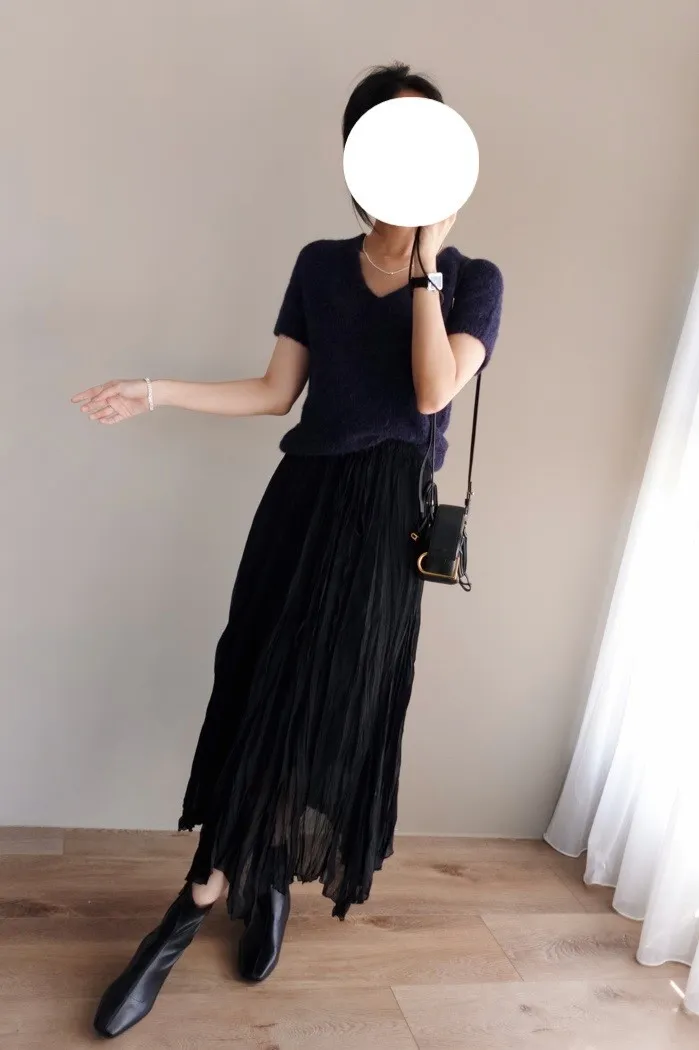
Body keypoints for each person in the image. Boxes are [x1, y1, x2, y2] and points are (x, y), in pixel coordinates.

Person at [72, 61, 504, 1040]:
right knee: (256, 683)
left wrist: (426, 265)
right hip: (300, 504)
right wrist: (154, 391)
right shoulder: (318, 264)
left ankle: (228, 886)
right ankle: (213, 892)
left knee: (326, 703)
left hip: (384, 525)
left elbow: (432, 390)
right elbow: (276, 394)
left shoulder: (474, 282)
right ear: (358, 155)